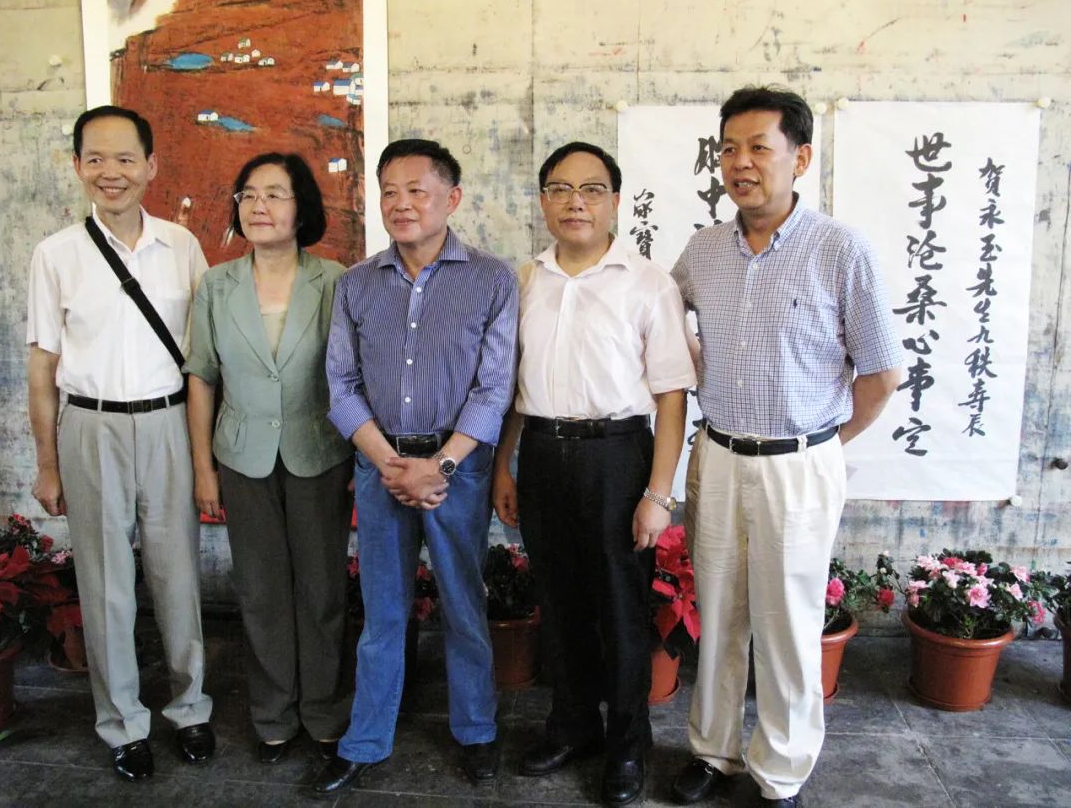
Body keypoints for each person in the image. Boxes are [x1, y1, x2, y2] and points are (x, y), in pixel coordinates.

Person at [668, 86, 903, 808]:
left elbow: (881, 373)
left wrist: (823, 444)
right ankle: (713, 753)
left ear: (799, 158)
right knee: (717, 614)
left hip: (799, 464)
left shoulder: (840, 249)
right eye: (728, 149)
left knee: (789, 626)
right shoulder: (703, 250)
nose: (740, 163)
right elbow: (661, 324)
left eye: (758, 148)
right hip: (717, 455)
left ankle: (781, 773)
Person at [491, 142, 695, 806]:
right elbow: (510, 388)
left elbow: (671, 396)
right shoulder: (525, 280)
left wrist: (658, 494)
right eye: (560, 188)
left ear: (614, 201)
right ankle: (573, 725)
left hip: (618, 457)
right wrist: (503, 466)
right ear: (543, 200)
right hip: (542, 453)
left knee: (620, 608)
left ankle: (628, 745)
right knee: (560, 601)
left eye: (591, 189)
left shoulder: (648, 282)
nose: (574, 202)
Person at [315, 139, 518, 795]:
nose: (401, 204)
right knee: (382, 611)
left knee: (463, 603)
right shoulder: (356, 284)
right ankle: (366, 739)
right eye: (389, 192)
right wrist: (391, 464)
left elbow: (494, 388)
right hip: (381, 466)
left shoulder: (491, 280)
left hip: (458, 469)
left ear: (451, 199)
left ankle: (476, 731)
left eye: (416, 191)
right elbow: (340, 385)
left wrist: (441, 466)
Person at [26, 105, 214, 782]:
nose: (112, 172)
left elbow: (203, 359)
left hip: (168, 424)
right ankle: (122, 723)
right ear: (77, 166)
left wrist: (205, 456)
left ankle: (190, 709)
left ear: (151, 166)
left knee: (177, 574)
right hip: (90, 426)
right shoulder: (55, 255)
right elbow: (42, 368)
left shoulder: (181, 246)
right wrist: (47, 465)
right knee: (106, 584)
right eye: (96, 158)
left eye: (126, 158)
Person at [184, 152, 354, 765]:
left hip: (320, 452)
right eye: (248, 194)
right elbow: (201, 377)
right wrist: (203, 469)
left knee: (322, 590)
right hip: (241, 456)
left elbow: (353, 375)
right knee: (259, 592)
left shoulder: (334, 280)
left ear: (301, 208)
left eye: (275, 194)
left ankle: (326, 712)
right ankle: (273, 715)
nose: (259, 206)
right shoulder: (217, 285)